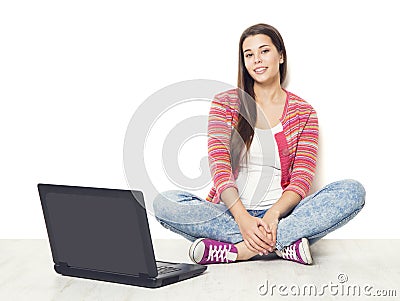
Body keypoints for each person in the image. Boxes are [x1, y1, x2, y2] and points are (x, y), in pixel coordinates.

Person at [152, 23, 366, 265]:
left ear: (281, 55)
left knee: (352, 191)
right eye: (249, 55)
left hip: (283, 217)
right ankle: (283, 244)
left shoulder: (303, 112)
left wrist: (274, 214)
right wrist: (243, 220)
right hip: (230, 214)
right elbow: (219, 165)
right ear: (243, 62)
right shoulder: (225, 104)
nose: (257, 60)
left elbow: (302, 179)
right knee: (164, 202)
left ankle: (240, 250)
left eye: (264, 51)